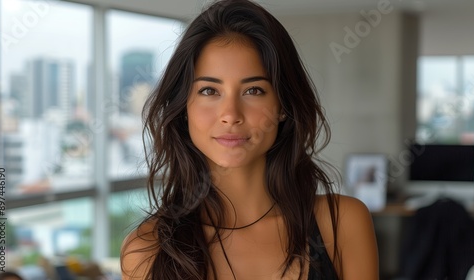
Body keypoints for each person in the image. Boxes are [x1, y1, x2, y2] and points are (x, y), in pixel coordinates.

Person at [121, 0, 378, 279]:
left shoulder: (341, 225)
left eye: (253, 90)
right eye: (209, 91)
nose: (230, 115)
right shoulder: (146, 251)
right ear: (184, 107)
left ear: (283, 106)